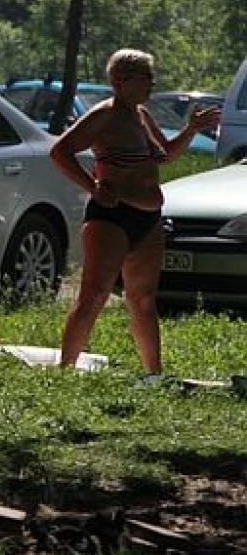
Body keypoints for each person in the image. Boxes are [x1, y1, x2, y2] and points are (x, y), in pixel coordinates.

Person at [50, 49, 220, 380]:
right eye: (146, 78)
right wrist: (93, 185)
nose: (152, 85)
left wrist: (192, 129)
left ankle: (154, 377)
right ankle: (64, 373)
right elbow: (60, 152)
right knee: (94, 295)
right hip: (111, 216)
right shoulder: (105, 115)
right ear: (120, 81)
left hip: (148, 217)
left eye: (152, 78)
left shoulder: (140, 114)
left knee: (143, 299)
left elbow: (165, 155)